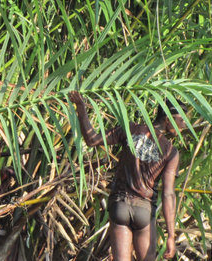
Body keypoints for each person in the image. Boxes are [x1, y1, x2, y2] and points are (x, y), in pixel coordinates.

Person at [70, 91, 186, 261]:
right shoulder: (170, 152)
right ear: (168, 119)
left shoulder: (130, 129)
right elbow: (168, 193)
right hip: (144, 210)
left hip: (120, 205)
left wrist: (81, 108)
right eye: (181, 120)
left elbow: (92, 139)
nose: (184, 124)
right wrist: (170, 235)